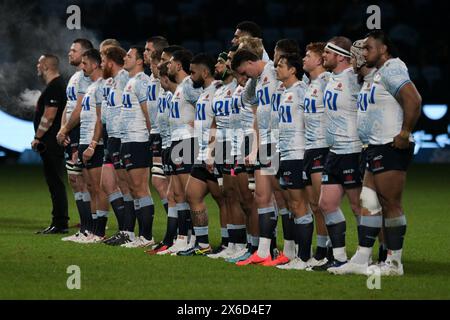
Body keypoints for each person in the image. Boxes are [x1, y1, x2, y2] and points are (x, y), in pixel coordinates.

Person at [361, 31, 421, 276]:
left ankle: (395, 264)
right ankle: (379, 258)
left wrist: (404, 133)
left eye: (368, 48)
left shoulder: (392, 68)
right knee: (372, 202)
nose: (364, 52)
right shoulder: (378, 72)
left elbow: (414, 100)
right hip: (377, 145)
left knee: (391, 204)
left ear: (384, 49)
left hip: (390, 145)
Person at [315, 36, 363, 272]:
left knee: (358, 206)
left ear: (341, 56)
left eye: (327, 52)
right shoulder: (330, 79)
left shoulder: (354, 78)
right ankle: (340, 257)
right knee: (326, 203)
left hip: (352, 151)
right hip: (334, 152)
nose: (323, 56)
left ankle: (368, 256)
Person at [273, 54, 313, 270]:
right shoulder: (286, 92)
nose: (277, 68)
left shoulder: (300, 90)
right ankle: (299, 254)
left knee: (299, 205)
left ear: (292, 70)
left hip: (298, 154)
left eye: (281, 65)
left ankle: (304, 257)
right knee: (291, 205)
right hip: (286, 153)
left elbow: (311, 121)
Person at [119, 46, 156, 248]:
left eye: (129, 55)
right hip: (127, 139)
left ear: (140, 61)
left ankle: (146, 236)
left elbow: (147, 111)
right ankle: (139, 235)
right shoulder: (131, 82)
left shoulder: (142, 82)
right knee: (133, 188)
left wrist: (152, 137)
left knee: (141, 188)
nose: (125, 58)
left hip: (138, 139)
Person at [57, 39, 94, 242]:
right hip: (71, 130)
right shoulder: (75, 77)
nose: (69, 53)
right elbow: (69, 106)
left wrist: (65, 129)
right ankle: (85, 228)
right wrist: (62, 129)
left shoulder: (86, 79)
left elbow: (80, 109)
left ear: (85, 54)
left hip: (80, 130)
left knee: (83, 180)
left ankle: (91, 228)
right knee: (75, 179)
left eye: (74, 50)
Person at [301, 42, 332, 268]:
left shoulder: (327, 81)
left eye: (308, 55)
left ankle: (330, 249)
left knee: (323, 203)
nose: (304, 58)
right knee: (313, 203)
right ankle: (322, 248)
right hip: (309, 148)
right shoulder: (309, 83)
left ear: (320, 59)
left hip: (323, 146)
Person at [33, 54, 69, 234]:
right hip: (53, 142)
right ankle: (59, 221)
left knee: (55, 182)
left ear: (46, 66)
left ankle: (60, 223)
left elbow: (49, 116)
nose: (37, 66)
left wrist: (38, 137)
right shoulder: (56, 85)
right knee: (54, 181)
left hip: (51, 143)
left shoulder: (55, 87)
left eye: (39, 63)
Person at [76, 48, 108, 243]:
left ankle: (99, 231)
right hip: (84, 140)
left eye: (85, 63)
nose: (82, 66)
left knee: (98, 188)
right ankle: (92, 231)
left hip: (94, 143)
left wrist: (94, 144)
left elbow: (100, 119)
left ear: (95, 64)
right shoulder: (91, 86)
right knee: (90, 186)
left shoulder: (102, 86)